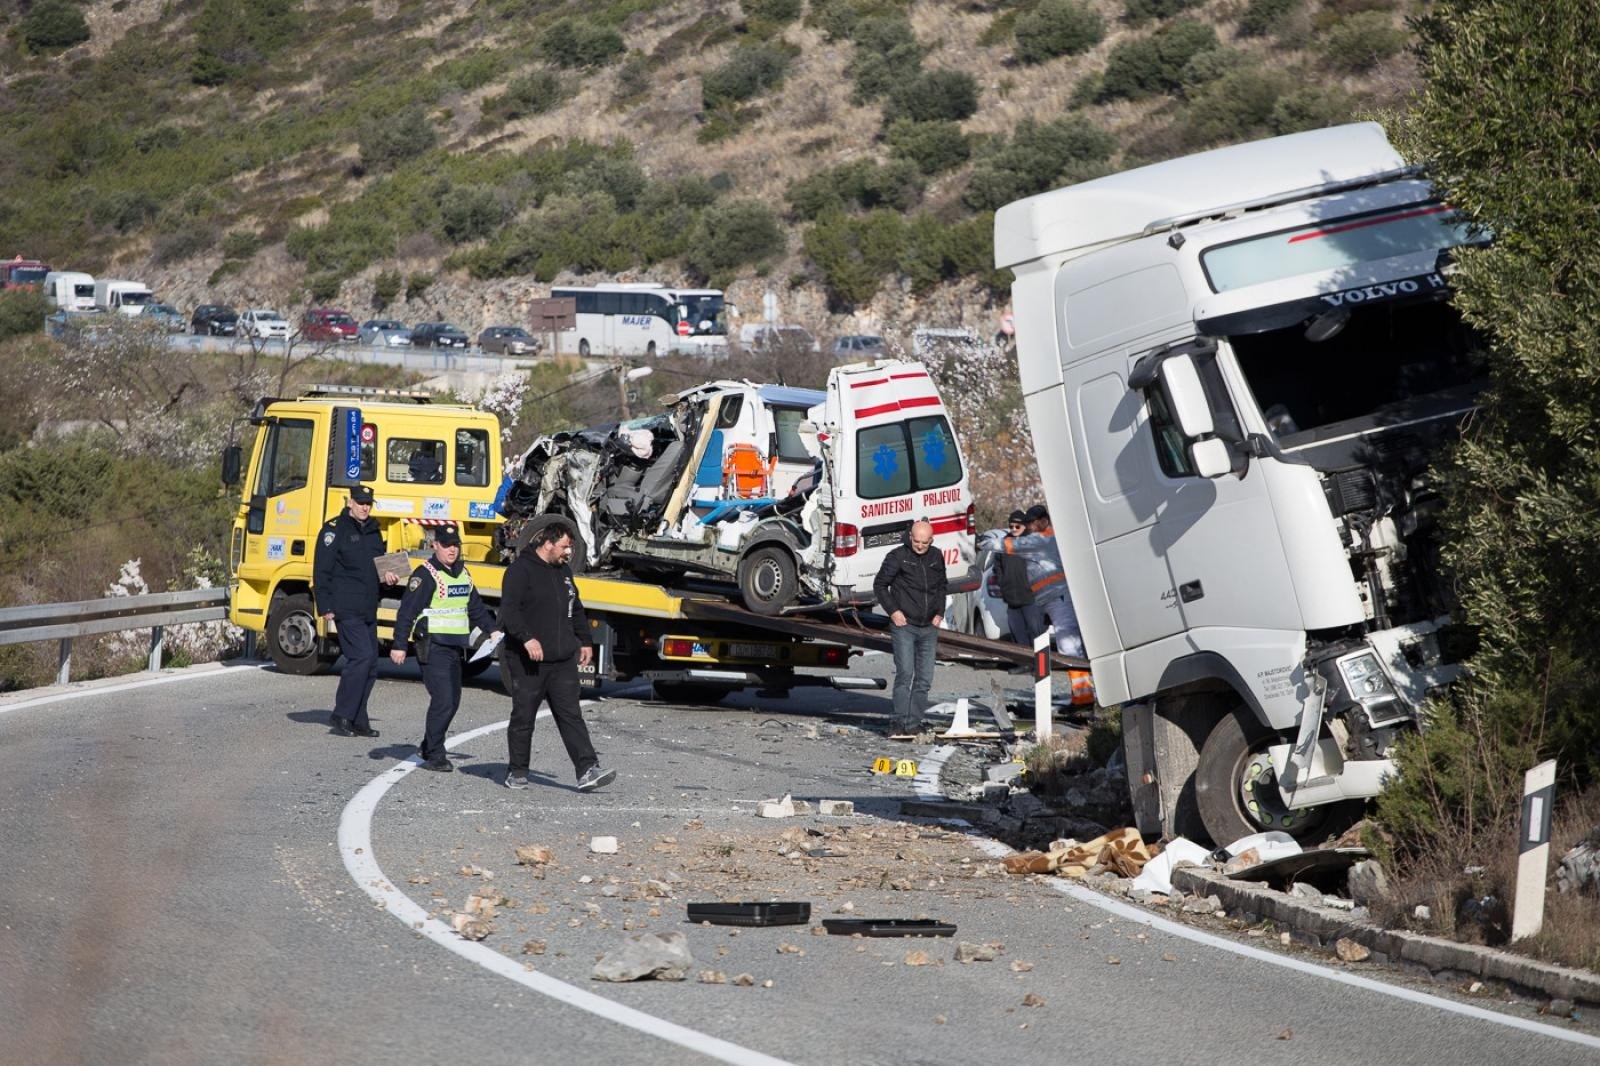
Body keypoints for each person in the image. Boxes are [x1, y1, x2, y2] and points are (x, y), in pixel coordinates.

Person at [498, 520, 616, 792]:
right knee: (523, 717)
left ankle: (587, 769)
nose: (568, 554)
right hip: (529, 661)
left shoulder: (563, 572)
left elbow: (576, 609)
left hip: (562, 660)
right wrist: (527, 638)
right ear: (547, 543)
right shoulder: (520, 571)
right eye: (564, 547)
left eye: (570, 549)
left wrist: (585, 641)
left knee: (571, 715)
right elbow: (509, 612)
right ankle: (517, 771)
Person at [389, 524, 498, 772]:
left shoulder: (462, 573)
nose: (452, 550)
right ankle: (435, 754)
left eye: (455, 545)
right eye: (447, 545)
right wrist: (399, 645)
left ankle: (429, 744)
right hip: (433, 645)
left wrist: (492, 629)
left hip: (455, 647)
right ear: (435, 545)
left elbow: (475, 607)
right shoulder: (425, 574)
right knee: (443, 700)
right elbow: (407, 611)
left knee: (453, 701)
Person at [313, 484, 398, 738]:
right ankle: (342, 714)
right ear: (350, 502)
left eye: (368, 503)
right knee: (360, 657)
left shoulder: (374, 531)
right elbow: (322, 570)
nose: (364, 507)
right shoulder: (334, 530)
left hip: (368, 607)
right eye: (360, 502)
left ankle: (359, 718)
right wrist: (325, 605)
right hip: (345, 606)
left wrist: (389, 577)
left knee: (371, 663)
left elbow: (378, 568)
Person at [872, 519, 947, 737]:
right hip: (904, 625)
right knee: (905, 673)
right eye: (917, 541)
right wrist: (893, 611)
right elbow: (880, 585)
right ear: (910, 537)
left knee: (924, 679)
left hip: (929, 627)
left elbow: (942, 585)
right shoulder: (898, 556)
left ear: (931, 540)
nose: (920, 546)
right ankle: (898, 722)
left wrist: (939, 612)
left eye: (925, 542)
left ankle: (913, 723)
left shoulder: (936, 556)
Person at [1004, 504, 1085, 658]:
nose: (1030, 527)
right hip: (1040, 598)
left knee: (1066, 642)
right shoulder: (1030, 541)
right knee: (1053, 641)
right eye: (1029, 524)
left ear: (1043, 521)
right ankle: (1075, 678)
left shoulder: (1054, 538)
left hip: (1057, 596)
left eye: (1032, 523)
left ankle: (1082, 679)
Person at [985, 509, 1045, 647]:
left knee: (1036, 633)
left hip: (1031, 598)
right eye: (1011, 526)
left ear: (1024, 525)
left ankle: (1041, 666)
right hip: (1011, 599)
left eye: (1017, 526)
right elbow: (997, 568)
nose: (1014, 529)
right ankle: (1024, 663)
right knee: (1018, 633)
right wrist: (1003, 584)